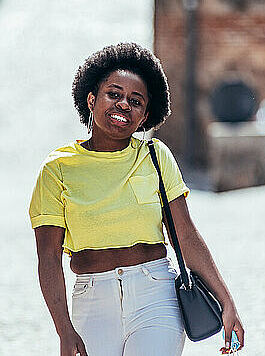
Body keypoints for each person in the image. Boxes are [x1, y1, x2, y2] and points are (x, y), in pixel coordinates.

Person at [29, 43, 244, 356]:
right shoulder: (57, 169)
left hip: (155, 295)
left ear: (145, 117)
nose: (124, 105)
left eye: (136, 101)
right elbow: (48, 257)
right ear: (91, 99)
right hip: (92, 304)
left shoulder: (156, 157)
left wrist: (226, 301)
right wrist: (64, 329)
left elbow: (185, 234)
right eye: (113, 94)